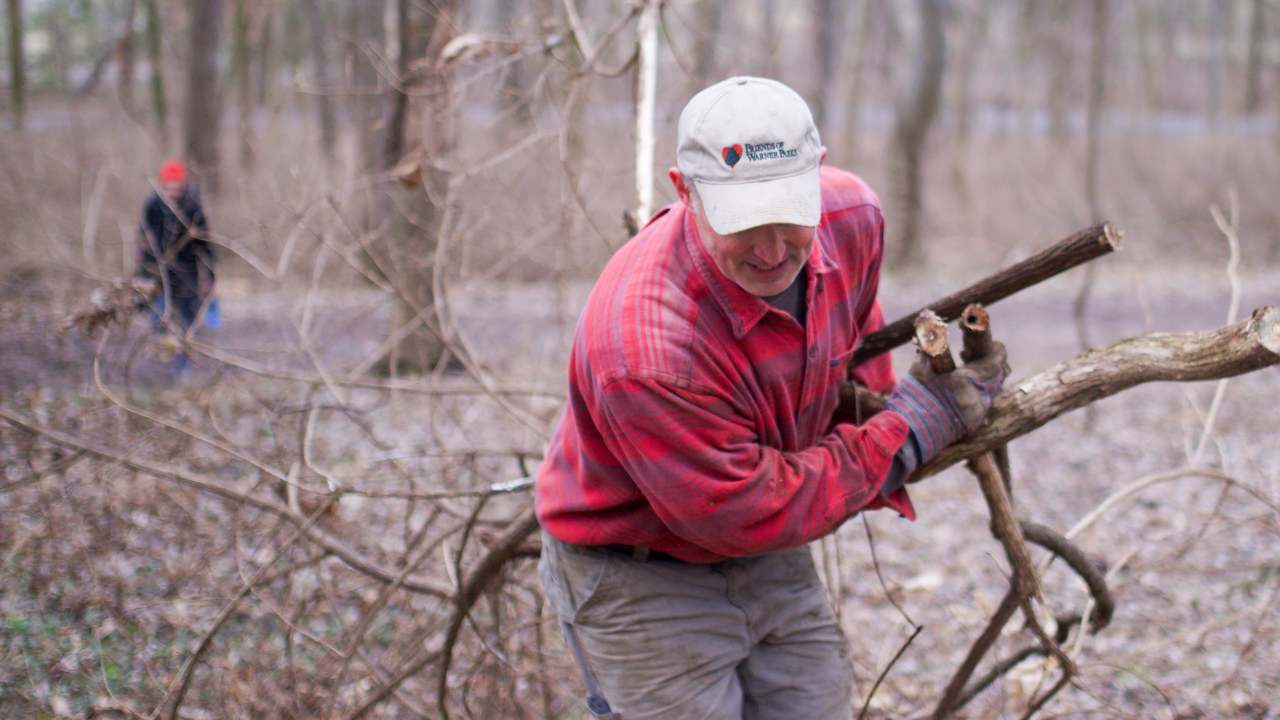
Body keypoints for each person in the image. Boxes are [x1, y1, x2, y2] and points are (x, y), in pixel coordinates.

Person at [535, 77, 1008, 719]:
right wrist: (905, 435)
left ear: (817, 173)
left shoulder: (853, 219)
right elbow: (741, 508)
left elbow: (855, 330)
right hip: (637, 573)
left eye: (787, 213)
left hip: (768, 548)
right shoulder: (646, 348)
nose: (771, 248)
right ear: (684, 191)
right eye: (743, 222)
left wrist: (883, 409)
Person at [136, 159, 217, 372]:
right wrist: (143, 274)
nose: (173, 192)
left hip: (187, 276)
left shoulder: (193, 206)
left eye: (177, 187)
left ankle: (184, 366)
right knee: (158, 319)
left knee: (187, 321)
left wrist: (210, 277)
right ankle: (161, 364)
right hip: (157, 275)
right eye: (168, 187)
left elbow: (205, 246)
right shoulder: (153, 205)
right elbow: (143, 242)